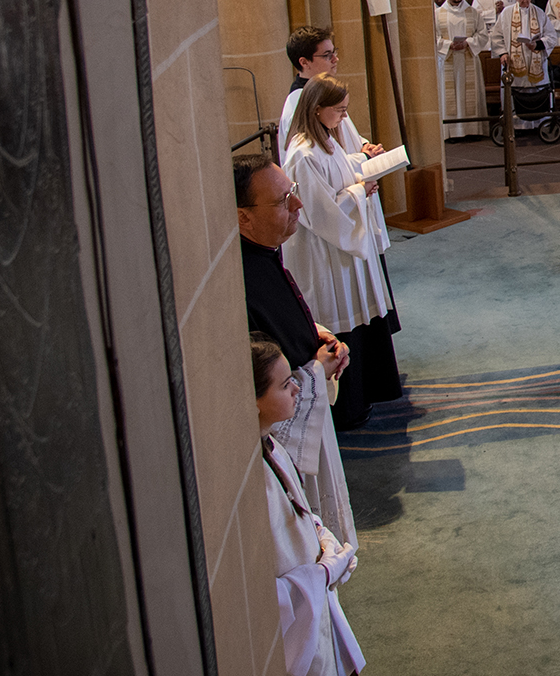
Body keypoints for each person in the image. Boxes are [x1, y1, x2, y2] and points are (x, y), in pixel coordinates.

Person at [236, 155, 356, 545]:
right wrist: (316, 371)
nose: (298, 206)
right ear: (243, 218)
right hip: (288, 441)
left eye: (294, 193)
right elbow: (257, 379)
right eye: (283, 200)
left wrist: (317, 336)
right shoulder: (237, 279)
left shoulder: (263, 254)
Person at [281, 75, 403, 431]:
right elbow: (320, 213)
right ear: (318, 110)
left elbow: (342, 167)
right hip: (326, 253)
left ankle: (365, 396)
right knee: (341, 321)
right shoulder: (302, 154)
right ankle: (346, 408)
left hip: (342, 251)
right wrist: (359, 193)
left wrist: (364, 165)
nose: (344, 117)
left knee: (360, 320)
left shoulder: (324, 142)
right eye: (340, 110)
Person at [253, 333, 365, 676]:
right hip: (297, 620)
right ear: (253, 400)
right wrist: (322, 572)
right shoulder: (249, 480)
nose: (297, 389)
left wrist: (321, 536)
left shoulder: (271, 445)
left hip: (314, 601)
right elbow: (267, 589)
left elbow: (297, 507)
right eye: (286, 384)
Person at [434, 0, 483, 140]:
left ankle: (471, 130)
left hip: (467, 57)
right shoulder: (438, 14)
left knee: (468, 94)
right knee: (450, 96)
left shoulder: (472, 12)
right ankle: (452, 133)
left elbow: (482, 35)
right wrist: (449, 45)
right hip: (448, 59)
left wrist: (467, 43)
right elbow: (433, 38)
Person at [278, 25, 341, 135]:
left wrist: (363, 144)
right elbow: (314, 149)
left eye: (334, 52)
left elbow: (346, 135)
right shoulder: (302, 102)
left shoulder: (325, 90)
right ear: (304, 62)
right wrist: (363, 153)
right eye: (327, 55)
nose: (335, 59)